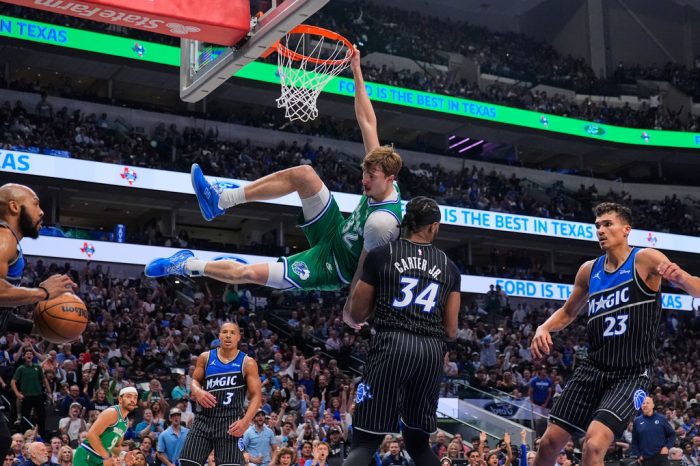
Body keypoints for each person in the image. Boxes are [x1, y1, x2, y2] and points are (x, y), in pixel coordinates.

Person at [145, 46, 403, 296]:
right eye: (364, 173)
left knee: (248, 273)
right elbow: (367, 121)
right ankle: (220, 200)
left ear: (390, 179)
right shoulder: (379, 167)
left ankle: (186, 264)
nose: (364, 180)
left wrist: (353, 309)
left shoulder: (385, 222)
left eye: (371, 177)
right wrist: (356, 70)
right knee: (304, 174)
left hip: (332, 268)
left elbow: (370, 274)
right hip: (334, 230)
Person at [530, 203, 700, 466]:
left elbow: (695, 287)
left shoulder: (645, 259)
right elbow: (568, 311)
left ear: (626, 229)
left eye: (608, 224)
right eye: (597, 225)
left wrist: (682, 279)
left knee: (593, 445)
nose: (600, 230)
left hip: (631, 373)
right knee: (549, 442)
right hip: (593, 368)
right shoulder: (589, 270)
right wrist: (543, 327)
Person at [342, 196, 461, 466]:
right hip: (430, 352)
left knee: (365, 442)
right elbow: (452, 330)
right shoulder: (450, 267)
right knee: (419, 445)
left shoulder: (382, 255)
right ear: (433, 226)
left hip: (391, 344)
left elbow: (357, 313)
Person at [0, 183, 75, 462]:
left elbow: (1, 314)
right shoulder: (3, 238)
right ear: (14, 207)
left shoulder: (10, 243)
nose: (42, 211)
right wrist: (42, 293)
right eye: (36, 204)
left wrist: (36, 328)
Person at [178, 322, 262, 466]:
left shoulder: (247, 363)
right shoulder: (205, 357)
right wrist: (197, 391)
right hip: (204, 419)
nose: (228, 336)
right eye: (225, 332)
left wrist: (245, 421)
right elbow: (195, 380)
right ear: (219, 336)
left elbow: (257, 396)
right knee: (187, 462)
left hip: (230, 422)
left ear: (238, 337)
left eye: (232, 333)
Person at [72, 387, 139, 466]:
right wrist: (106, 456)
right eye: (129, 396)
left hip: (100, 459)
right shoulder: (112, 412)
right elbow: (91, 435)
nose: (132, 400)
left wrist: (124, 455)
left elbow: (115, 447)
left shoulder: (126, 422)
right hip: (87, 454)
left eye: (135, 397)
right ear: (120, 399)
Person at [11, 349, 50, 435]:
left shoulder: (38, 367)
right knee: (25, 417)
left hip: (38, 395)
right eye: (27, 354)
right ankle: (24, 434)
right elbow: (13, 382)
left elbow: (44, 379)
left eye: (31, 354)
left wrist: (49, 392)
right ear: (24, 356)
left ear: (33, 356)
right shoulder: (21, 368)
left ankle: (41, 434)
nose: (29, 355)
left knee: (42, 416)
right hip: (26, 396)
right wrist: (17, 393)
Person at [630, 397, 676, 466]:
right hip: (645, 459)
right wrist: (638, 455)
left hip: (661, 456)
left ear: (653, 405)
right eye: (643, 403)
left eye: (647, 403)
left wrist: (667, 447)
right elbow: (634, 441)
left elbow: (672, 434)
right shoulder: (637, 421)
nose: (645, 405)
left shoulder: (661, 418)